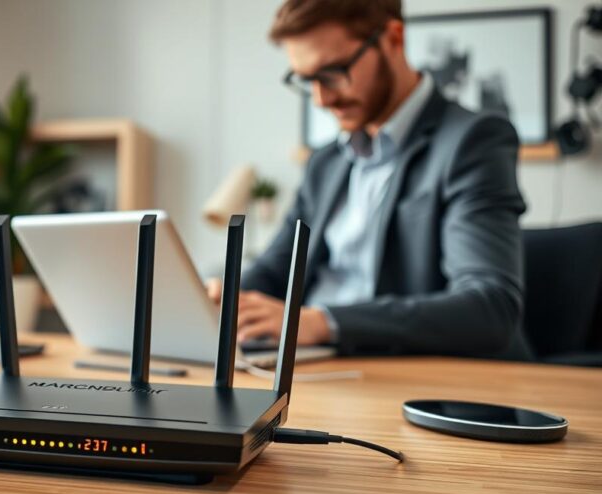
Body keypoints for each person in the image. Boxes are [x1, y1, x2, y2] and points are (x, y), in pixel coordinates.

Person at [208, 0, 530, 359]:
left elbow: (489, 307)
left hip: (402, 370)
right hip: (311, 365)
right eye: (307, 80)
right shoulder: (325, 162)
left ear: (393, 38)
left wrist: (322, 323)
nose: (321, 99)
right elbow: (274, 271)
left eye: (333, 72)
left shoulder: (472, 141)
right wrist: (220, 301)